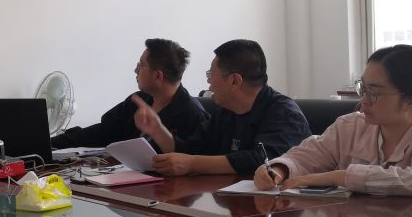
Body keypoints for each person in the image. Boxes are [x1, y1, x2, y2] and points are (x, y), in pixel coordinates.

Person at [254, 45, 412, 195]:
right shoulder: (350, 126)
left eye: (374, 93)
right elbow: (308, 155)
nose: (363, 100)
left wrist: (337, 177)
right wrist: (280, 169)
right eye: (362, 88)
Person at [133, 39, 310, 176]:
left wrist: (193, 164)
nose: (208, 81)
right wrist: (158, 130)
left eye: (211, 74)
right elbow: (190, 150)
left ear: (234, 81)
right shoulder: (225, 112)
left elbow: (263, 160)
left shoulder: (285, 114)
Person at [51, 38, 208, 149]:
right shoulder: (138, 101)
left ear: (158, 76)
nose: (135, 70)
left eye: (141, 65)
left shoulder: (194, 117)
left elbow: (191, 164)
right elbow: (100, 133)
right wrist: (49, 144)